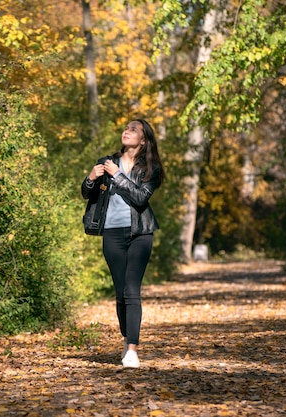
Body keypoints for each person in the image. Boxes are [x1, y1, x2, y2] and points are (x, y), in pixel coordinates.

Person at [81, 118, 165, 368]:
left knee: (131, 290)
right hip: (111, 232)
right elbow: (87, 194)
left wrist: (116, 176)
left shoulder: (151, 168)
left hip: (140, 232)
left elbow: (140, 198)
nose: (126, 131)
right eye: (126, 128)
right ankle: (127, 336)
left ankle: (132, 349)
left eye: (133, 129)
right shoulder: (105, 163)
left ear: (143, 140)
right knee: (120, 294)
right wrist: (90, 177)